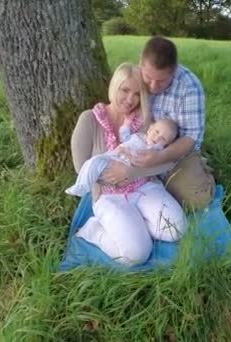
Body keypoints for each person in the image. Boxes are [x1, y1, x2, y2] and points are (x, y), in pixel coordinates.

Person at [70, 62, 186, 266]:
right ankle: (95, 231)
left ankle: (134, 226)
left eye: (137, 93)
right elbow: (81, 169)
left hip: (145, 186)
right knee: (136, 255)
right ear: (114, 84)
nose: (130, 100)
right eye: (125, 90)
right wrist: (115, 173)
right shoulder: (89, 119)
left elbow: (166, 161)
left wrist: (132, 172)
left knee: (176, 229)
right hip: (109, 195)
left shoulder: (145, 120)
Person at [98, 36, 216, 210]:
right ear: (141, 63)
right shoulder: (135, 77)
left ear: (173, 70)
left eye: (161, 81)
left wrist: (160, 157)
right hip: (138, 143)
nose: (152, 86)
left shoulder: (189, 87)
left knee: (194, 199)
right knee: (114, 181)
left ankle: (201, 170)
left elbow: (191, 137)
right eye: (148, 77)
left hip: (176, 150)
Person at [65, 118, 178, 197]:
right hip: (112, 157)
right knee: (94, 162)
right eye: (157, 132)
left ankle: (85, 185)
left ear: (164, 145)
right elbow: (125, 138)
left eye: (163, 139)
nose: (157, 137)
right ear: (150, 129)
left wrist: (127, 152)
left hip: (125, 166)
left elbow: (139, 160)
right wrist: (126, 125)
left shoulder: (153, 151)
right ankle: (82, 185)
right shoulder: (138, 136)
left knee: (99, 167)